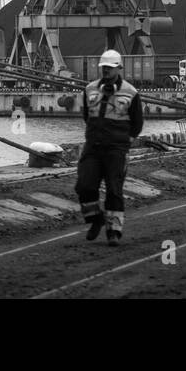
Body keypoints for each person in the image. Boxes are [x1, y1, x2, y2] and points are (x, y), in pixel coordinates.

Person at [75, 49, 144, 245]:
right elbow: (87, 116)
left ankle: (113, 231)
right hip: (93, 148)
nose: (106, 71)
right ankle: (95, 219)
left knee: (114, 190)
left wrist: (124, 142)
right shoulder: (89, 89)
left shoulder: (131, 93)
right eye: (104, 67)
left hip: (116, 150)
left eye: (110, 68)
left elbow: (137, 123)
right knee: (84, 186)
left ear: (119, 68)